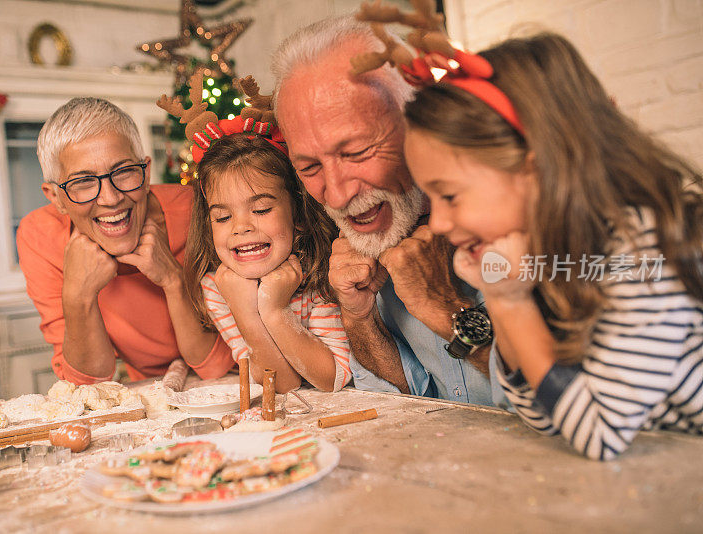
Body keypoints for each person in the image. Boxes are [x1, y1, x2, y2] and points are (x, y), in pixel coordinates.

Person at [403, 32, 703, 459]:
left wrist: (508, 303)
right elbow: (543, 413)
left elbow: (599, 433)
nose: (438, 222)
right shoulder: (554, 255)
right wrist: (501, 290)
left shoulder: (643, 253)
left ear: (538, 169)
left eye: (449, 195)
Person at [271, 16, 504, 406]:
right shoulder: (379, 228)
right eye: (310, 167)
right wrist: (360, 320)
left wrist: (443, 307)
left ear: (420, 125)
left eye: (357, 152)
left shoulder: (521, 220)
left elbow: (571, 401)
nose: (338, 195)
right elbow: (407, 398)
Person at [17, 97, 234, 384]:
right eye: (83, 182)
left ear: (145, 174)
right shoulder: (40, 235)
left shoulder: (199, 211)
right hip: (148, 390)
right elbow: (88, 385)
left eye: (123, 172)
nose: (111, 198)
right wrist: (78, 296)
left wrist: (173, 279)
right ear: (55, 197)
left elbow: (218, 367)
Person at [183, 101, 351, 394]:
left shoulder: (322, 270)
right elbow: (282, 384)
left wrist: (275, 311)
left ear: (297, 214)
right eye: (223, 217)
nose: (240, 227)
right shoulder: (219, 286)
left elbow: (332, 378)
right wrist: (245, 312)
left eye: (260, 210)